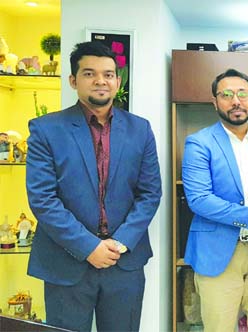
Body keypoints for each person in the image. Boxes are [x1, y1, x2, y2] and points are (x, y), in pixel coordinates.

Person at [25, 41, 162, 331]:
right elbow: (42, 199)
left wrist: (120, 241)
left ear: (117, 80)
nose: (100, 80)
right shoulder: (45, 129)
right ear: (73, 80)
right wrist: (88, 246)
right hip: (66, 262)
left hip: (123, 262)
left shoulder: (140, 129)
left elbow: (150, 193)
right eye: (89, 73)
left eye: (108, 74)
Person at [182, 68, 248, 332]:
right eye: (227, 94)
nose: (236, 101)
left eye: (242, 94)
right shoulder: (199, 142)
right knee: (219, 327)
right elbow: (199, 199)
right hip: (218, 250)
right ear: (215, 102)